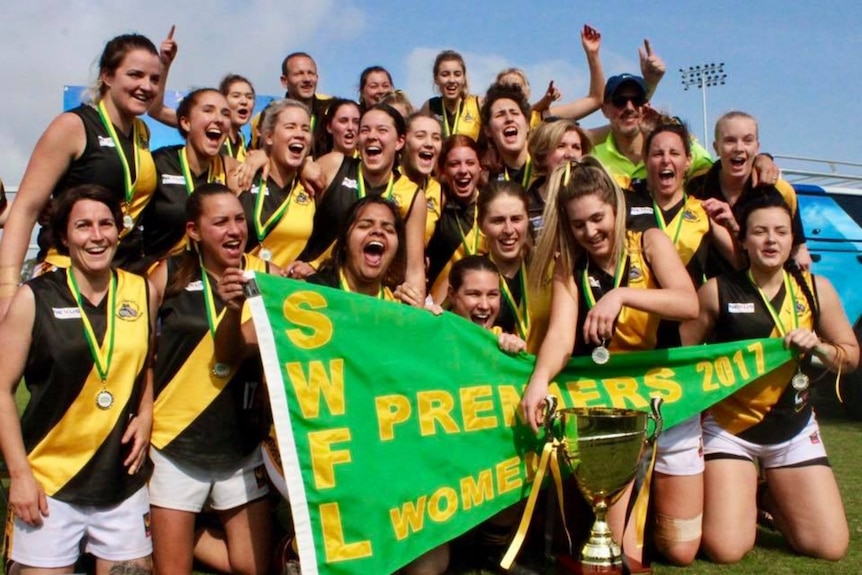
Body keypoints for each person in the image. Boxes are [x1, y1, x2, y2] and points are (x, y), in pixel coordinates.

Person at [520, 157, 698, 549]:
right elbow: (561, 338)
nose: (590, 231)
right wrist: (538, 381)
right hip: (615, 405)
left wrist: (620, 295)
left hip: (670, 394)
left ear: (615, 209)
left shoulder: (649, 239)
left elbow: (689, 303)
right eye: (578, 224)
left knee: (683, 550)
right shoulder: (570, 263)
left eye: (598, 218)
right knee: (616, 546)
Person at [680, 191, 858, 564]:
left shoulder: (815, 289)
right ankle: (752, 488)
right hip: (730, 430)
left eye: (780, 231)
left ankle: (773, 491)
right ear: (742, 239)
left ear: (793, 239)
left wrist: (821, 348)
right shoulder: (717, 292)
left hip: (792, 430)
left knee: (829, 547)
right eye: (759, 232)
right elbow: (683, 359)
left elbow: (850, 358)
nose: (771, 240)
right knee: (726, 549)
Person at [0, 184, 155, 573]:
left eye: (106, 224)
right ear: (65, 237)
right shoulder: (34, 298)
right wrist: (19, 475)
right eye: (83, 225)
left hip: (121, 482)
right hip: (49, 484)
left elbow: (146, 363)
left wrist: (147, 411)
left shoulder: (143, 291)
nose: (97, 235)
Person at [147, 183, 275, 575]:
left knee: (255, 567)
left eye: (239, 219)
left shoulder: (266, 276)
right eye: (220, 222)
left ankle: (186, 526)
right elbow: (138, 356)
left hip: (239, 444)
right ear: (193, 230)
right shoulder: (165, 275)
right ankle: (169, 525)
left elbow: (236, 351)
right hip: (174, 442)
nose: (235, 230)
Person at [0, 33, 161, 317]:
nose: (146, 86)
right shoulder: (72, 126)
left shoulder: (142, 134)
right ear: (107, 76)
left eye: (154, 79)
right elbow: (24, 210)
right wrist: (6, 292)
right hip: (66, 277)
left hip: (123, 280)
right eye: (135, 75)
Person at [408, 254, 526, 575]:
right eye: (474, 294)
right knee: (430, 568)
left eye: (492, 294)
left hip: (479, 471)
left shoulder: (503, 343)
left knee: (526, 456)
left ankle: (489, 552)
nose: (484, 305)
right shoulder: (426, 329)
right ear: (452, 295)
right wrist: (418, 327)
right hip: (430, 477)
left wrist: (517, 358)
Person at [298, 103, 427, 300]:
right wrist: (299, 164)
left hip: (368, 299)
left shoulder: (413, 196)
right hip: (316, 284)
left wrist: (416, 314)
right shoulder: (334, 164)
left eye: (382, 130)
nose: (372, 136)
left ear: (400, 141)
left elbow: (415, 270)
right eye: (365, 130)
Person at [687, 110, 811, 273]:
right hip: (712, 290)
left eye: (748, 140)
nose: (739, 148)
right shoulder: (695, 186)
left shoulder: (779, 190)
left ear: (757, 147)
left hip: (763, 289)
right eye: (730, 141)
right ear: (716, 147)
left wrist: (801, 254)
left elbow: (798, 247)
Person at [141, 88, 240, 268]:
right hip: (160, 280)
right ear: (186, 123)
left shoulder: (231, 170)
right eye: (208, 110)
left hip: (209, 281)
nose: (218, 118)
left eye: (225, 113)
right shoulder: (158, 163)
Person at [241, 99, 316, 272]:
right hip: (240, 288)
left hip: (283, 294)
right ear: (268, 136)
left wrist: (313, 267)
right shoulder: (244, 174)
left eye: (305, 129)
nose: (299, 134)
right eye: (290, 127)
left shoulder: (314, 186)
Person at [477, 180, 549, 351]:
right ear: (481, 225)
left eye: (516, 219)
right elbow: (446, 321)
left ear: (528, 220)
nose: (508, 229)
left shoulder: (551, 268)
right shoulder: (472, 274)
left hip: (547, 374)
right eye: (498, 221)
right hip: (494, 375)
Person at [496, 24, 604, 127]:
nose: (510, 92)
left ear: (527, 92)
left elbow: (595, 100)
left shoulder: (539, 121)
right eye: (503, 88)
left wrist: (592, 55)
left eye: (517, 87)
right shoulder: (485, 121)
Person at [426, 135, 487, 303]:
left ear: (480, 167)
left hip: (482, 305)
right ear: (443, 169)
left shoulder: (491, 208)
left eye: (470, 163)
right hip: (442, 308)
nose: (463, 170)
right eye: (454, 164)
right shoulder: (435, 207)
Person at [526, 118, 593, 234]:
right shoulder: (525, 204)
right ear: (542, 155)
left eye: (576, 147)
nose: (570, 154)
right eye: (561, 146)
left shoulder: (595, 195)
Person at [401, 113, 444, 245]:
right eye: (420, 136)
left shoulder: (438, 191)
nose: (429, 144)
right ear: (402, 141)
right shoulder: (385, 180)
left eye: (436, 138)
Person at [421, 51, 483, 141]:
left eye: (457, 74)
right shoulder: (429, 107)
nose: (452, 80)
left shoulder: (478, 104)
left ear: (464, 78)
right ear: (436, 79)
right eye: (445, 75)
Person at [480, 83, 533, 186]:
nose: (509, 119)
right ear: (488, 131)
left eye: (515, 113)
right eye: (500, 115)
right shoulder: (488, 181)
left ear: (527, 125)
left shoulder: (548, 167)